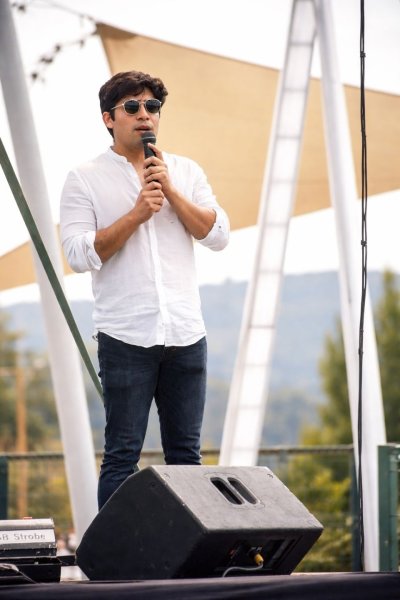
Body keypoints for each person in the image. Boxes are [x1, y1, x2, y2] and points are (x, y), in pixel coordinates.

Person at [60, 70, 230, 509]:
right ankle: (116, 551)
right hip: (125, 336)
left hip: (185, 334)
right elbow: (77, 254)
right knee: (121, 457)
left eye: (152, 107)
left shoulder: (185, 171)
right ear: (108, 118)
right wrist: (137, 213)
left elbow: (217, 235)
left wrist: (170, 190)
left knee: (187, 458)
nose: (144, 115)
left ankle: (189, 551)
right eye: (132, 107)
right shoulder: (84, 178)